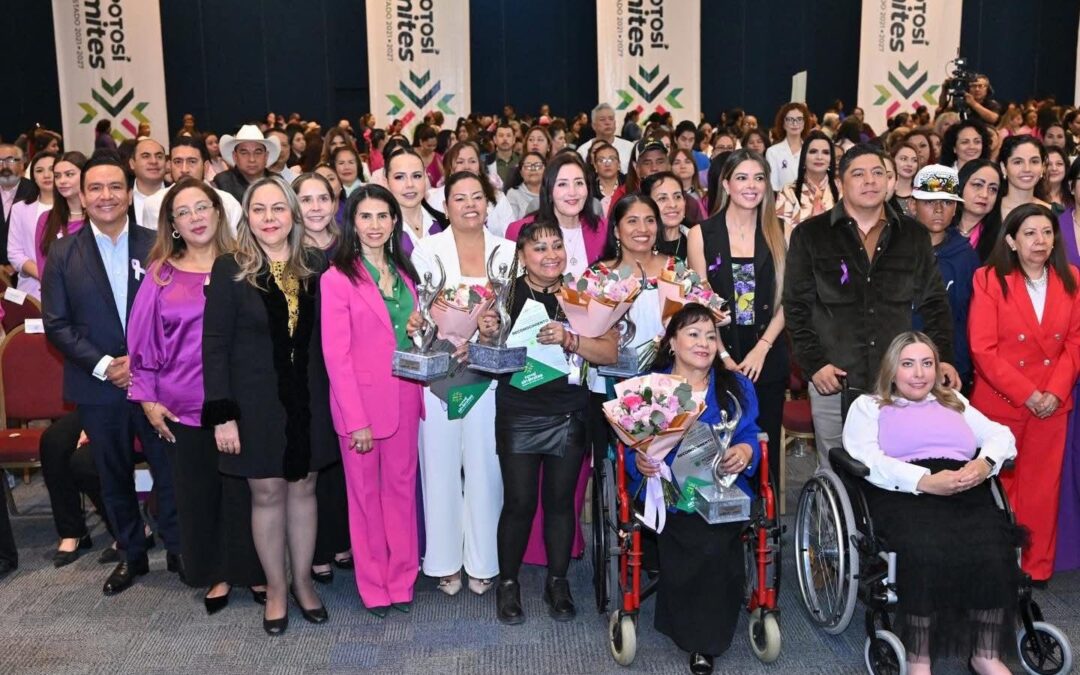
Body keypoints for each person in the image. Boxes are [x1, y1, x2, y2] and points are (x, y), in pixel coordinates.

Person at [42, 152, 182, 596]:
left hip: (157, 382)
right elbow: (56, 323)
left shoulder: (158, 244)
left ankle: (180, 549)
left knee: (170, 468)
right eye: (96, 188)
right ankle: (131, 555)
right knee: (112, 472)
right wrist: (105, 367)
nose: (106, 196)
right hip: (97, 385)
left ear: (129, 192)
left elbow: (174, 314)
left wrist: (142, 366)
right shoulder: (63, 252)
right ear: (82, 196)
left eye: (115, 187)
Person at [202, 175, 334, 634]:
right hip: (254, 403)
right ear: (247, 216)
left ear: (293, 214)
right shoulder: (229, 267)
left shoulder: (316, 263)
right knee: (267, 493)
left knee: (304, 488)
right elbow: (214, 345)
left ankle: (303, 583)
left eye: (278, 208)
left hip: (309, 399)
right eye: (259, 210)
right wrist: (222, 414)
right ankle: (275, 588)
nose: (270, 218)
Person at [843, 331, 1019, 675]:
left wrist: (984, 464)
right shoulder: (869, 406)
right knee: (923, 549)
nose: (919, 373)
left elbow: (1001, 436)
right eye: (908, 364)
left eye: (927, 363)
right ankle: (919, 659)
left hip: (965, 486)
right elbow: (866, 457)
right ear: (892, 370)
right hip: (903, 491)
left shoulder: (953, 400)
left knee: (995, 547)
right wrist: (923, 480)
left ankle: (985, 655)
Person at [127, 177, 264, 615]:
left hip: (241, 404)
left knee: (247, 493)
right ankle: (216, 574)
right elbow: (141, 340)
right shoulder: (161, 274)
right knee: (198, 493)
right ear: (172, 224)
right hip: (183, 408)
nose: (194, 218)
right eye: (183, 212)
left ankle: (255, 570)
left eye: (201, 208)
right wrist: (147, 399)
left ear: (218, 211)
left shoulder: (246, 264)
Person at [477, 221, 617, 625]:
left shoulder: (581, 294)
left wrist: (572, 339)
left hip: (569, 409)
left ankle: (558, 581)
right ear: (522, 255)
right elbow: (487, 359)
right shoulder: (503, 293)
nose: (551, 254)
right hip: (518, 410)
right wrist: (486, 335)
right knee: (519, 502)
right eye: (539, 248)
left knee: (560, 503)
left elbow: (608, 353)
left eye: (557, 246)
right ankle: (508, 583)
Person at [783, 144, 959, 459]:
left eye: (878, 173)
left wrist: (942, 357)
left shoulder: (913, 235)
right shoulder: (810, 235)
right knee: (837, 476)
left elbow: (934, 303)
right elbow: (796, 308)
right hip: (833, 380)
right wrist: (814, 365)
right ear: (840, 182)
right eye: (859, 174)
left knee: (897, 471)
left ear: (890, 182)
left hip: (897, 381)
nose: (870, 181)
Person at [627, 303, 761, 675]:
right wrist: (639, 464)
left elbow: (751, 435)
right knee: (700, 539)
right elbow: (631, 448)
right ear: (672, 342)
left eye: (710, 335)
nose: (704, 342)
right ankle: (696, 632)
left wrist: (746, 451)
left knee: (715, 537)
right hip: (670, 494)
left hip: (724, 491)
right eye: (693, 333)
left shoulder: (736, 386)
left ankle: (705, 639)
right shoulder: (650, 389)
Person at [410, 172, 515, 597]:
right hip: (438, 376)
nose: (469, 204)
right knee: (439, 467)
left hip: (487, 375)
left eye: (477, 197)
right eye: (459, 198)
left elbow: (514, 315)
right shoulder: (425, 250)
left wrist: (490, 332)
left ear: (489, 203)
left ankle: (483, 561)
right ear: (445, 205)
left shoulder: (508, 253)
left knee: (486, 469)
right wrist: (428, 330)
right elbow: (416, 314)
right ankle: (443, 561)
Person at [321, 184, 423, 616]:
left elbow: (407, 337)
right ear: (352, 223)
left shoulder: (405, 275)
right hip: (358, 407)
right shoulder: (337, 278)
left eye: (383, 216)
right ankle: (373, 584)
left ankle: (402, 578)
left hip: (404, 397)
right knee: (364, 498)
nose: (376, 225)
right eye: (366, 217)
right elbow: (336, 356)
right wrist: (355, 419)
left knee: (401, 493)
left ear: (395, 221)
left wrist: (419, 327)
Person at [969, 202, 1080, 584]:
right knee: (998, 489)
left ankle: (1034, 571)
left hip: (1053, 404)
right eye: (1030, 233)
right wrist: (1029, 393)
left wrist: (1053, 390)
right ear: (1012, 241)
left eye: (1048, 232)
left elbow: (1075, 342)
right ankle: (993, 567)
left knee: (1042, 491)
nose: (1040, 241)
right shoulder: (988, 279)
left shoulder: (1072, 279)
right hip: (1002, 402)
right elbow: (982, 349)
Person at [687, 149, 788, 490]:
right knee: (720, 443)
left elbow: (789, 300)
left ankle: (766, 524)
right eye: (742, 178)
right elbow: (700, 302)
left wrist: (762, 348)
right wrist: (724, 356)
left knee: (764, 439)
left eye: (759, 178)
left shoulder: (781, 232)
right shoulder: (702, 234)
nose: (751, 186)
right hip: (717, 354)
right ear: (726, 184)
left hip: (767, 351)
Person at [910, 165, 980, 388]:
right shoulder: (892, 252)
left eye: (947, 202)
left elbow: (968, 319)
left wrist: (958, 366)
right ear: (913, 205)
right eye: (930, 202)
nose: (939, 209)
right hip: (899, 367)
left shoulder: (966, 257)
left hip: (949, 370)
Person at [505, 152, 606, 277]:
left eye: (579, 183)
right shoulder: (519, 231)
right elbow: (511, 283)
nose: (572, 192)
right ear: (549, 191)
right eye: (562, 184)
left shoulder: (604, 229)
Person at [141, 136, 242, 234]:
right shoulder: (154, 204)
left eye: (192, 161)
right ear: (170, 165)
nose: (184, 169)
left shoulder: (227, 203)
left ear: (206, 167)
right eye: (178, 162)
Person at [429, 142, 516, 237]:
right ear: (450, 168)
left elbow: (510, 233)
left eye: (472, 161)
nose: (467, 167)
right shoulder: (434, 198)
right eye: (460, 162)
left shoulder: (497, 197)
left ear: (479, 167)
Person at [6, 150, 54, 298]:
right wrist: (44, 275)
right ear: (32, 176)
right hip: (32, 291)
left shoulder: (75, 208)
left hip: (71, 290)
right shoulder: (20, 208)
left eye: (52, 169)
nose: (46, 175)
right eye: (39, 170)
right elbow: (14, 253)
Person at [774, 130, 839, 237]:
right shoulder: (789, 191)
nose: (819, 157)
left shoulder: (843, 190)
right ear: (804, 157)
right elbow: (781, 236)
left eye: (826, 152)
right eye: (813, 151)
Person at [384, 148, 446, 255]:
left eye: (416, 176)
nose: (409, 184)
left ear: (425, 178)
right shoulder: (380, 231)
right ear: (387, 182)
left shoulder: (444, 222)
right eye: (399, 177)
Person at [952, 159, 1004, 263]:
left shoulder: (1001, 240)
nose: (985, 194)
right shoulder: (940, 227)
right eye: (977, 185)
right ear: (961, 186)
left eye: (993, 189)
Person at [212, 125, 281, 203]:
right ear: (235, 156)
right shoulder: (222, 182)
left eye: (258, 152)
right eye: (244, 153)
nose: (252, 159)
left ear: (266, 156)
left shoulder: (277, 181)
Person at [0, 143, 34, 279]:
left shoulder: (36, 192)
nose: (4, 166)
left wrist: (16, 265)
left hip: (27, 273)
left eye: (10, 160)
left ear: (22, 164)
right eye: (0, 161)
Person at [998, 135, 1050, 222]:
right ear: (1003, 168)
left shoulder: (1058, 214)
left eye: (1034, 161)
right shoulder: (988, 211)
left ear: (1043, 167)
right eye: (1018, 162)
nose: (1027, 169)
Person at [576, 103, 636, 173]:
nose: (607, 123)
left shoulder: (630, 147)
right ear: (593, 125)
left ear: (615, 123)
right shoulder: (583, 151)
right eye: (602, 119)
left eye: (611, 119)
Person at [643, 171, 690, 259]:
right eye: (662, 198)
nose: (672, 205)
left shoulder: (700, 240)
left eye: (677, 197)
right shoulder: (638, 243)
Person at [764, 102, 810, 191]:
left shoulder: (811, 150)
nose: (795, 123)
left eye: (799, 119)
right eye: (789, 119)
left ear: (805, 123)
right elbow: (773, 186)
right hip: (782, 201)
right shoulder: (773, 152)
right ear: (783, 123)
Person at [129, 138, 167, 228]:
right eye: (146, 156)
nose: (154, 161)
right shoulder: (122, 196)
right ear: (132, 163)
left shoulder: (177, 192)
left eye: (159, 156)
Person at [505, 151, 545, 220]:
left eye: (538, 166)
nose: (533, 169)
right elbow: (511, 224)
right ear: (521, 172)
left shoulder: (553, 192)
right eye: (528, 166)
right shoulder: (513, 194)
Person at [591, 141, 624, 215]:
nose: (607, 164)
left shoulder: (629, 187)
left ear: (619, 164)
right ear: (595, 166)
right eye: (601, 160)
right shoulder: (588, 190)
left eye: (611, 159)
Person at [488, 122, 520, 188]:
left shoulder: (522, 160)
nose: (505, 139)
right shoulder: (487, 162)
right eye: (501, 135)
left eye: (508, 135)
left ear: (514, 139)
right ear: (495, 140)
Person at [1044, 146, 1068, 214]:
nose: (1054, 168)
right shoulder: (1031, 196)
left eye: (1059, 164)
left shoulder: (1074, 198)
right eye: (1048, 164)